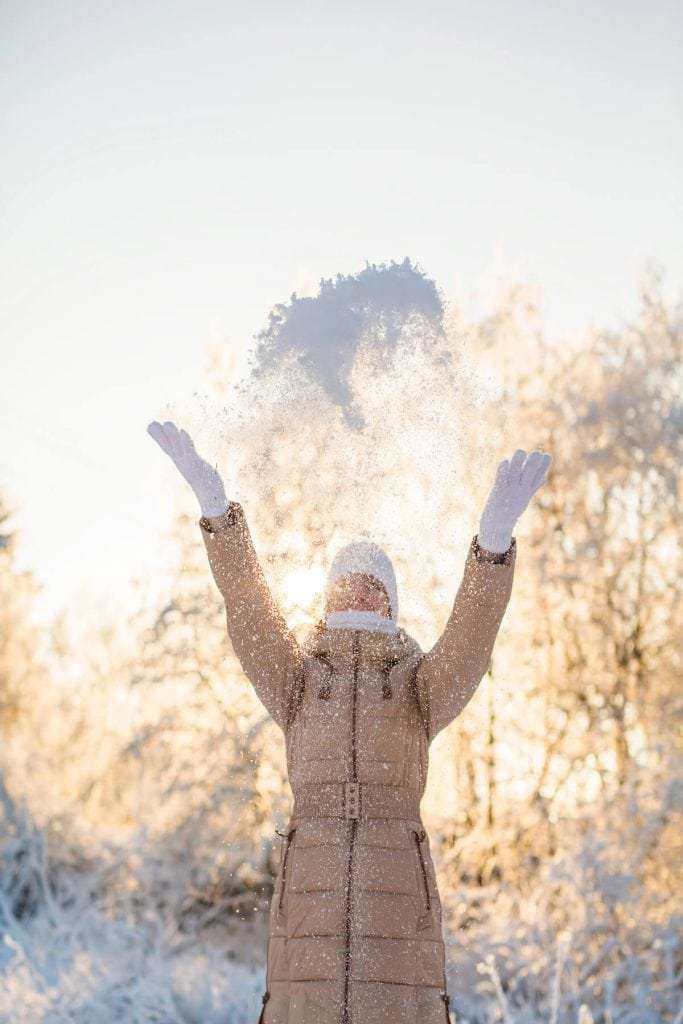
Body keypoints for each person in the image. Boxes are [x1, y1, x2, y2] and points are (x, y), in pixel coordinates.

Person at [147, 420, 551, 1024]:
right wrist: (218, 513)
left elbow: (471, 640)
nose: (358, 597)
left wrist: (491, 547)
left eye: (371, 588)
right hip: (311, 877)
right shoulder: (298, 681)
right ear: (327, 598)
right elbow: (249, 606)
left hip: (397, 887)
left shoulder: (419, 688)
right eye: (346, 587)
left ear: (390, 601)